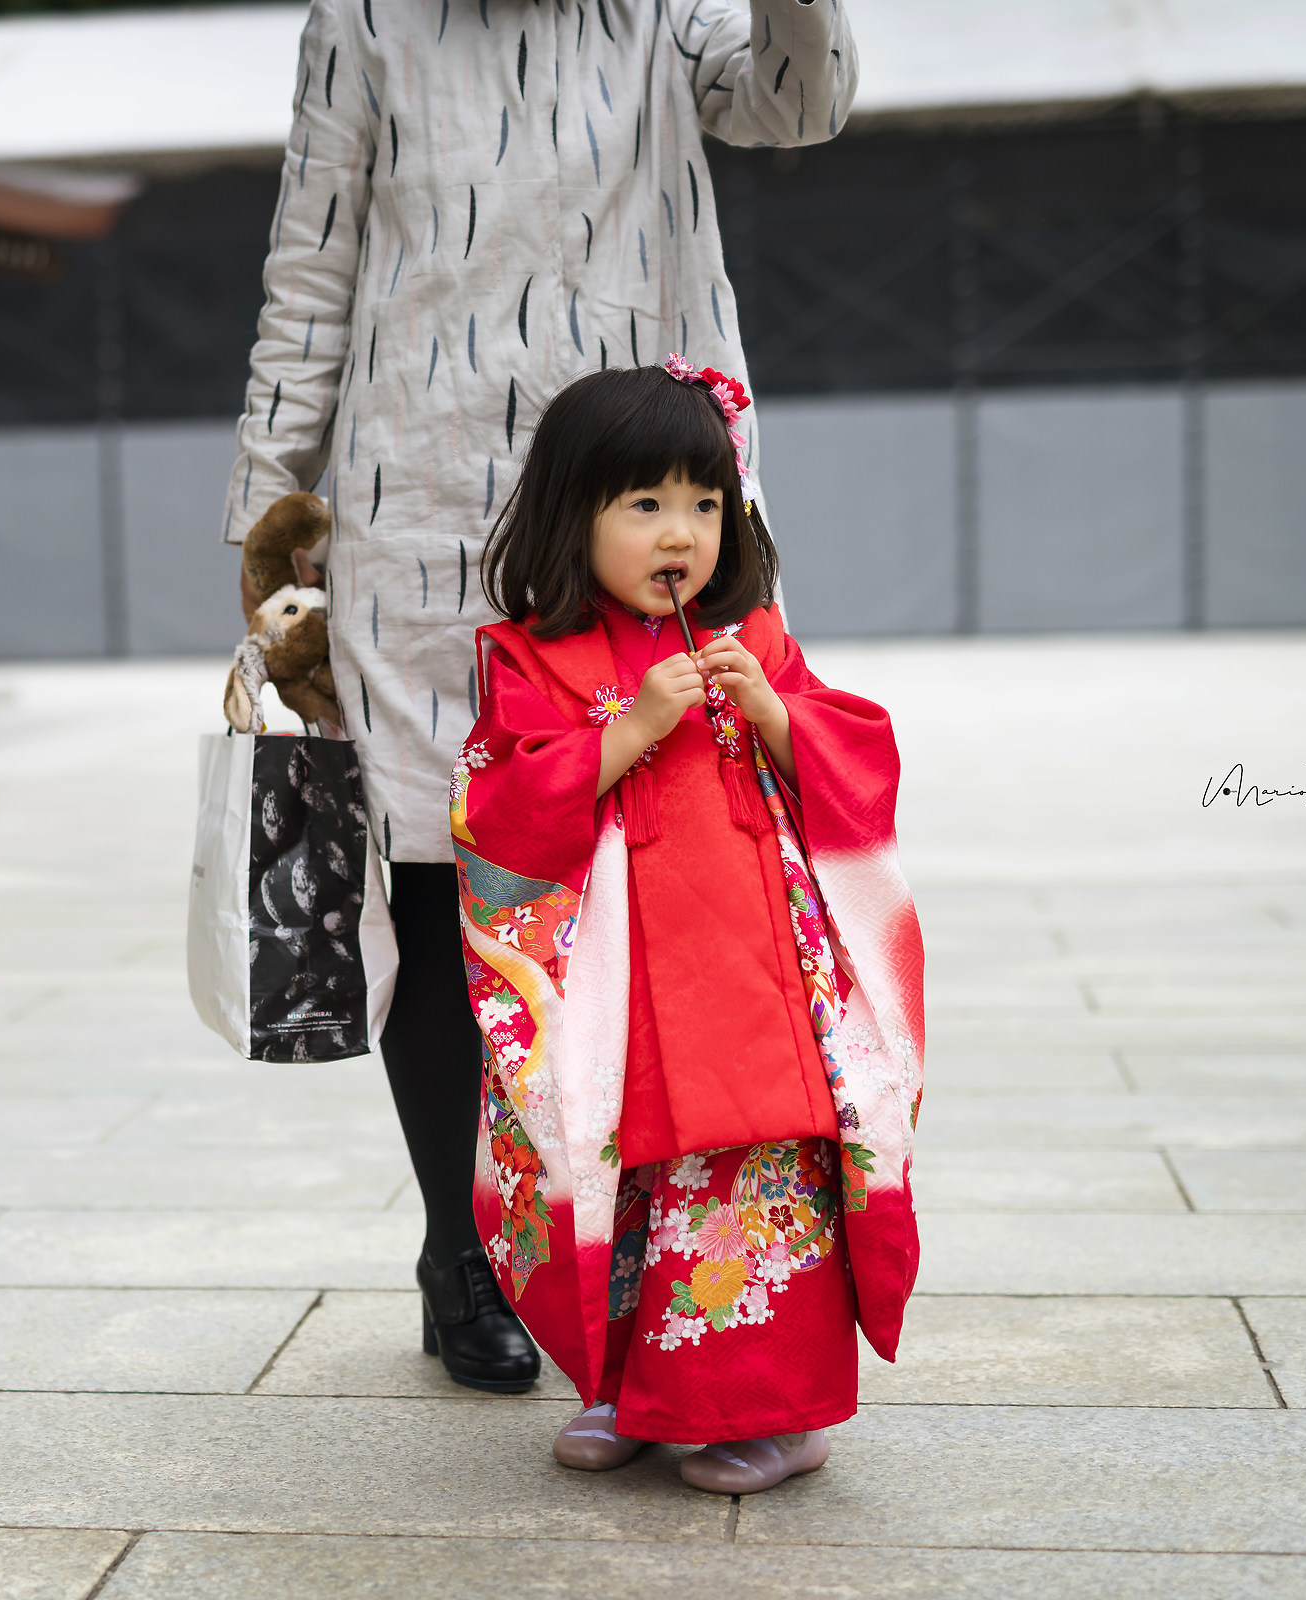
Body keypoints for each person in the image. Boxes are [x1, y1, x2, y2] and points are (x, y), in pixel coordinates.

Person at [223, 0, 858, 1393]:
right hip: (424, 500)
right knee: (451, 880)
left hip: (647, 506)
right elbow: (312, 266)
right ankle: (467, 1247)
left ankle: (639, 1228)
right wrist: (271, 528)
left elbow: (796, 104)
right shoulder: (364, 19)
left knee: (655, 867)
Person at [449, 363, 924, 1492]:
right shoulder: (531, 655)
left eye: (705, 503)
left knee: (751, 1174)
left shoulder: (751, 636)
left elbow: (856, 759)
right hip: (621, 991)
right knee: (623, 1167)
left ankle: (782, 1409)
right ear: (577, 513)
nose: (684, 532)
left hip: (755, 977)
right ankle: (637, 1390)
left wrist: (771, 713)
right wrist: (626, 732)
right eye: (646, 503)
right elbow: (494, 804)